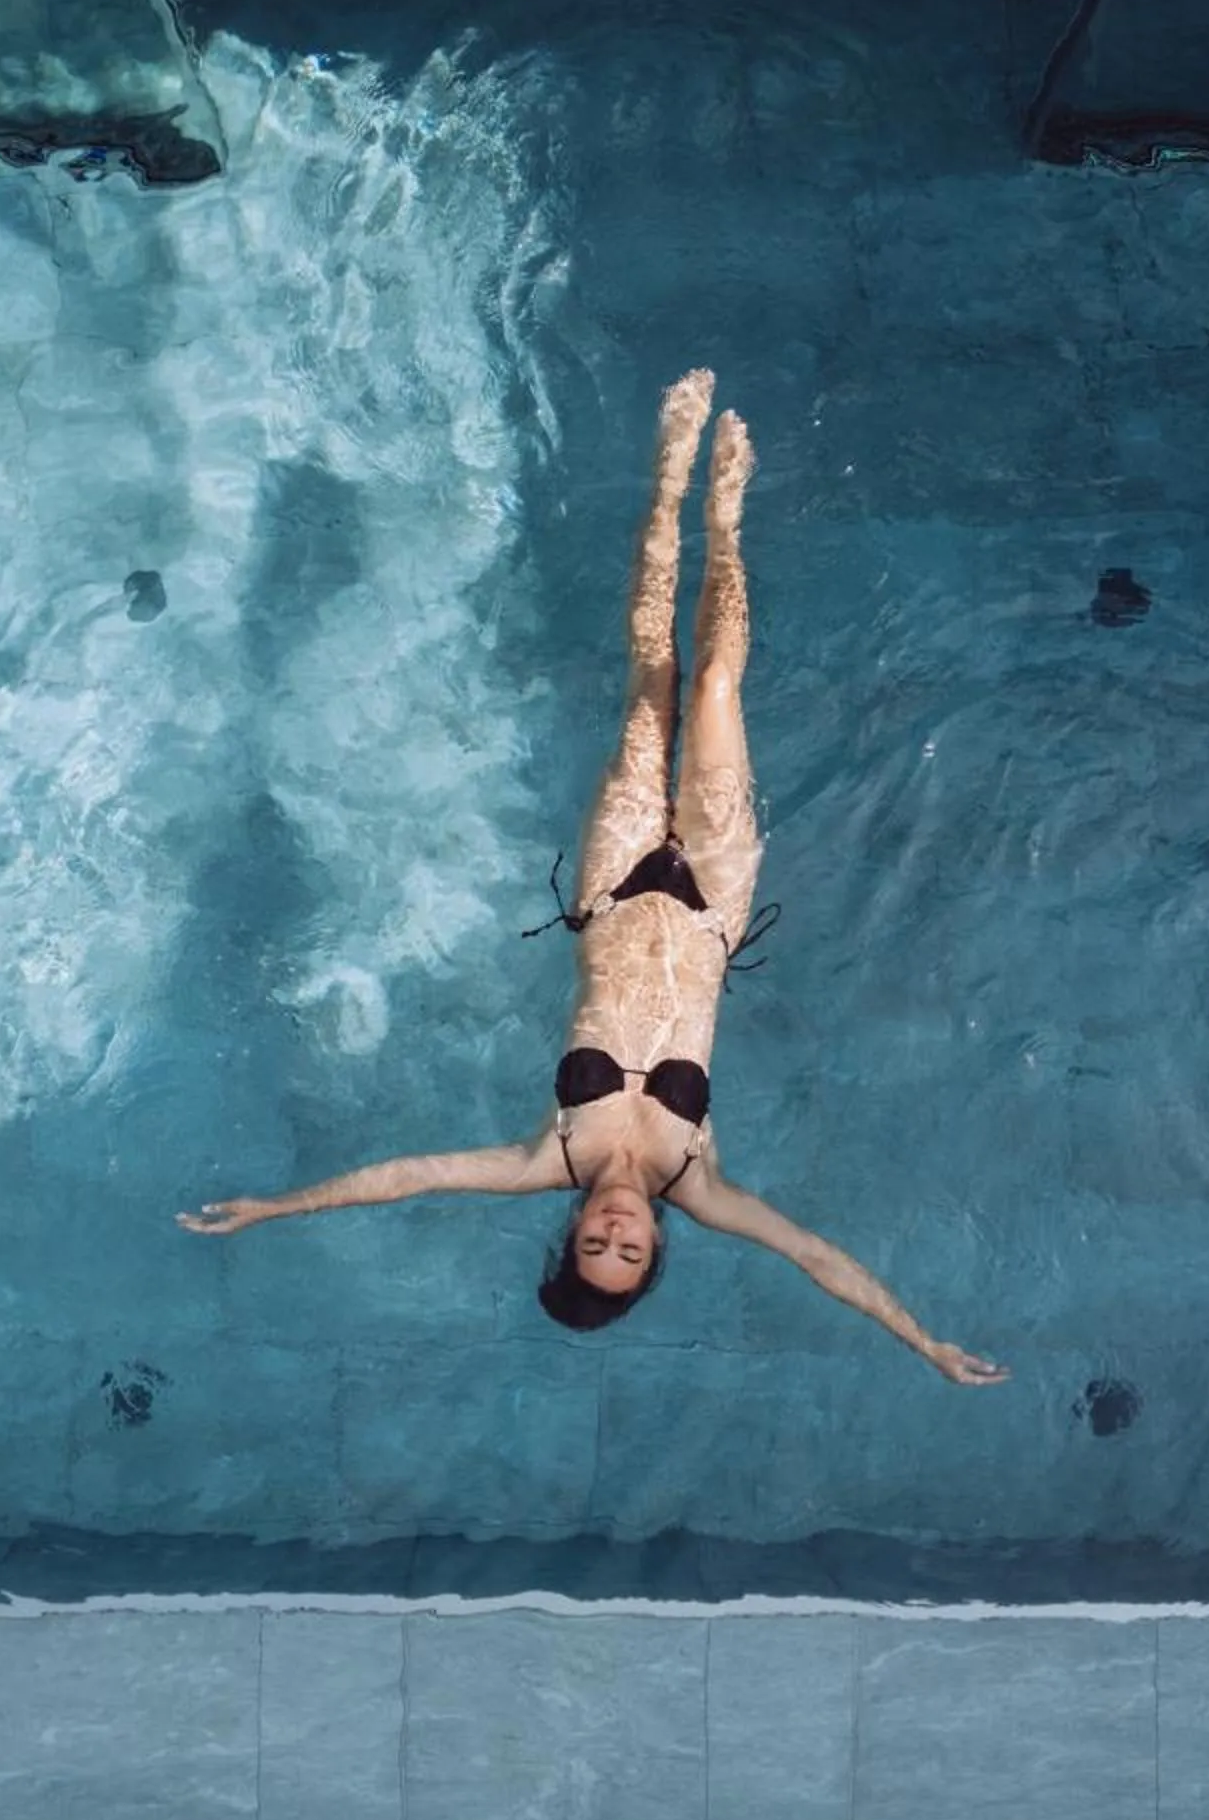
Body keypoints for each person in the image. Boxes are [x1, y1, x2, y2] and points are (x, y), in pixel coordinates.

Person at [181, 372, 1005, 1385]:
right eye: (631, 1253)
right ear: (657, 1251)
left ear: (567, 1233)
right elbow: (815, 1257)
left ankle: (668, 486)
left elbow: (409, 1178)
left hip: (612, 892)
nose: (616, 1232)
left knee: (653, 678)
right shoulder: (699, 1181)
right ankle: (728, 512)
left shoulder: (544, 1160)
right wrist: (919, 1341)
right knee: (713, 686)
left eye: (593, 1247)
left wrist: (277, 1207)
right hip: (713, 900)